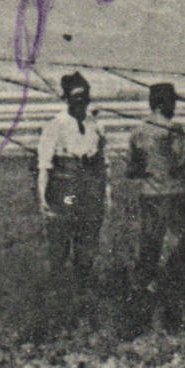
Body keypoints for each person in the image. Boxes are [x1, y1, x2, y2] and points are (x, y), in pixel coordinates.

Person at [128, 82, 185, 327]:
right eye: (172, 102)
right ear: (165, 103)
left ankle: (142, 303)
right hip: (175, 195)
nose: (174, 107)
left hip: (149, 196)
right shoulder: (174, 130)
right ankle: (170, 282)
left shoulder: (138, 131)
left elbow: (132, 170)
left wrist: (151, 169)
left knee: (150, 247)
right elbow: (183, 162)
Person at [37, 72, 108, 283]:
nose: (80, 102)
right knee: (60, 241)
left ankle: (82, 287)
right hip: (64, 191)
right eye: (75, 97)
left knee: (87, 242)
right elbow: (44, 166)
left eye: (84, 97)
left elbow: (103, 163)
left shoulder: (96, 125)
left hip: (90, 190)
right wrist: (43, 198)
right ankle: (58, 289)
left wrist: (106, 193)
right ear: (67, 98)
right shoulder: (55, 125)